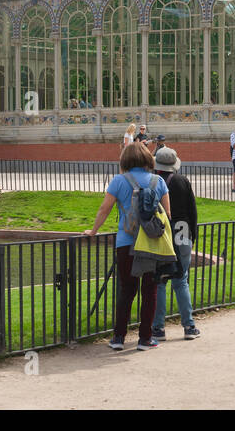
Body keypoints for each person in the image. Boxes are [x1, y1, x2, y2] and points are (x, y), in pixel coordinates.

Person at [85, 142, 172, 351]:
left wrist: (93, 231)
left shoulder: (119, 181)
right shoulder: (158, 181)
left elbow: (104, 209)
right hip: (151, 243)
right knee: (149, 290)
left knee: (126, 290)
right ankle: (145, 339)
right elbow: (167, 215)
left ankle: (118, 337)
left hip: (126, 242)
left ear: (125, 159)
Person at [150, 145, 201, 341]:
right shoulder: (182, 181)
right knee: (181, 280)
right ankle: (189, 326)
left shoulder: (154, 182)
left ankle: (158, 328)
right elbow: (192, 212)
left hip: (162, 233)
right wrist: (192, 237)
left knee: (160, 280)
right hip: (183, 231)